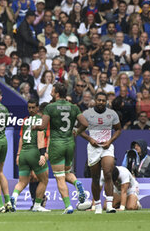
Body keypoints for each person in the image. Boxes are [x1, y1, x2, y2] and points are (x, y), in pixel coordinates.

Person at [34, 83, 88, 214]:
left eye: (52, 90)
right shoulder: (74, 107)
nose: (51, 92)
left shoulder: (50, 107)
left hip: (57, 145)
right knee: (67, 172)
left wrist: (34, 127)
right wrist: (77, 131)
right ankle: (76, 183)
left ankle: (68, 205)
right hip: (70, 144)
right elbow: (85, 123)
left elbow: (42, 126)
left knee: (59, 177)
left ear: (57, 93)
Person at [78, 92, 122, 214]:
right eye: (99, 100)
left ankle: (109, 205)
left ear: (107, 102)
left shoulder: (112, 114)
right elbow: (78, 130)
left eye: (103, 100)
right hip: (93, 148)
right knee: (95, 177)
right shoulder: (87, 114)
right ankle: (97, 205)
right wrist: (90, 139)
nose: (101, 102)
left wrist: (110, 140)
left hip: (107, 146)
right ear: (95, 101)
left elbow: (118, 129)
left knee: (108, 173)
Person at [10, 99, 49, 212]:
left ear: (37, 108)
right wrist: (42, 154)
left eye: (33, 107)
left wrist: (18, 154)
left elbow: (21, 138)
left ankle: (14, 198)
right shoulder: (41, 120)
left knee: (22, 182)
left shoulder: (25, 120)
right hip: (34, 152)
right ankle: (37, 205)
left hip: (23, 154)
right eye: (29, 107)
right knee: (44, 180)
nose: (31, 110)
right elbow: (40, 138)